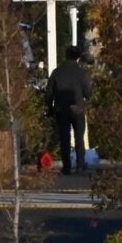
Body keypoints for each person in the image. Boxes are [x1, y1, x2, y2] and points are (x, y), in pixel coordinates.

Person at [46, 43, 94, 173]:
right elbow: (88, 92)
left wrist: (49, 108)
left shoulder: (57, 72)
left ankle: (66, 166)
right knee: (79, 137)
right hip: (77, 108)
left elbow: (49, 92)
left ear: (65, 56)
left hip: (61, 109)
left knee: (64, 137)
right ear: (78, 57)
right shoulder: (81, 72)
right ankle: (80, 164)